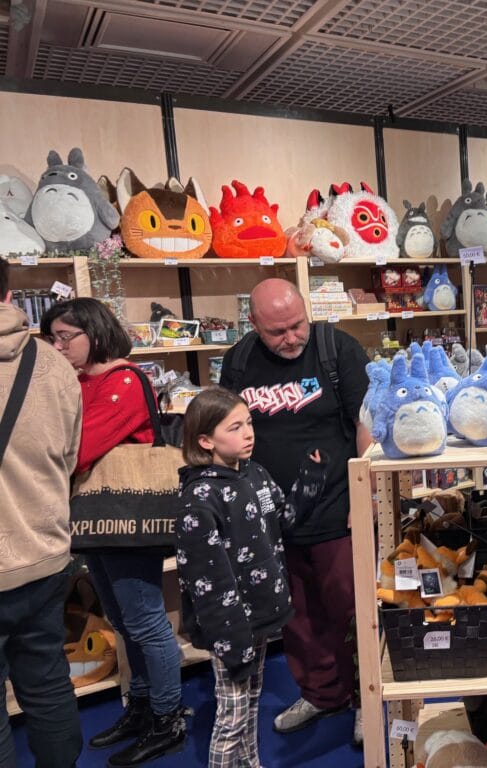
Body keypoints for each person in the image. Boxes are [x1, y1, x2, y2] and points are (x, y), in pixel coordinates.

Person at [219, 279, 370, 741]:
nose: (290, 338)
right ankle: (323, 694)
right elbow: (226, 425)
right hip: (269, 519)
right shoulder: (240, 359)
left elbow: (367, 421)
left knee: (354, 610)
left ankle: (368, 695)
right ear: (254, 325)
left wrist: (365, 501)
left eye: (296, 325)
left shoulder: (335, 348)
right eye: (277, 332)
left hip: (337, 510)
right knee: (295, 616)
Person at [40, 297, 186, 767]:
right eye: (53, 337)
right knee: (125, 621)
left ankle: (168, 718)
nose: (58, 346)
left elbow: (78, 448)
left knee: (145, 622)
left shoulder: (122, 380)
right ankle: (143, 706)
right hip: (98, 519)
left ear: (95, 334)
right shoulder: (82, 381)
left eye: (66, 337)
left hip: (127, 518)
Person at [176, 387, 327, 768]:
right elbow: (208, 584)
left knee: (249, 705)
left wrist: (310, 478)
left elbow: (284, 519)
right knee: (231, 717)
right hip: (232, 628)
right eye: (235, 427)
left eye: (249, 423)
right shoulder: (200, 498)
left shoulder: (254, 474)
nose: (249, 433)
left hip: (260, 615)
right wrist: (232, 641)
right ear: (205, 440)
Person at [0, 258, 84, 768]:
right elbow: (69, 456)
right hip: (45, 549)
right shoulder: (53, 364)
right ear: (9, 294)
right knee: (49, 683)